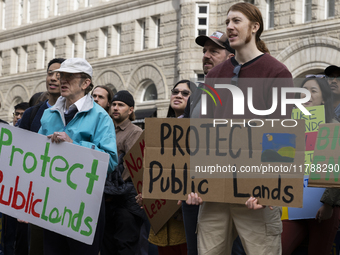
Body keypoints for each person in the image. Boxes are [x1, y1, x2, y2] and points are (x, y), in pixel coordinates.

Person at [192, 3, 294, 255]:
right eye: (228, 22)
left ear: (255, 27)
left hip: (256, 194)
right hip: (215, 190)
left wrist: (271, 188)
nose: (230, 27)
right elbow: (204, 131)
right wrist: (195, 182)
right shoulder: (214, 75)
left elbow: (282, 132)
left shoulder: (277, 72)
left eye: (236, 21)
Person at [38, 58, 118, 255]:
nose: (62, 80)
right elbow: (36, 155)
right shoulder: (49, 114)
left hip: (84, 206)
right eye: (61, 75)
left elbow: (110, 161)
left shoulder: (101, 117)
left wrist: (74, 146)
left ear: (85, 83)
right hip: (52, 204)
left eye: (69, 76)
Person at [279, 76, 340, 255]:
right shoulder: (288, 127)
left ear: (323, 97)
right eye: (303, 92)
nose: (307, 95)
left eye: (313, 91)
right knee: (278, 250)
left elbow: (336, 170)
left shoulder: (335, 127)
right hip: (291, 208)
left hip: (323, 210)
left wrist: (328, 204)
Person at [136, 80, 196, 255]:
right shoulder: (159, 130)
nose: (178, 95)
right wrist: (145, 195)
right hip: (162, 222)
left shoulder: (200, 130)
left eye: (185, 93)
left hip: (187, 219)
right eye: (175, 91)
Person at [18, 58, 65, 255]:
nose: (53, 78)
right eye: (50, 73)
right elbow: (17, 155)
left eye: (60, 74)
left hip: (68, 202)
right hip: (37, 199)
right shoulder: (32, 114)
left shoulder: (78, 114)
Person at [101, 90, 145, 255]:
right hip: (107, 199)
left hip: (126, 202)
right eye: (114, 104)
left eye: (121, 105)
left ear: (131, 110)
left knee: (125, 248)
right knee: (106, 247)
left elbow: (132, 168)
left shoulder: (135, 132)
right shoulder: (105, 130)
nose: (116, 108)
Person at [184, 31, 235, 118]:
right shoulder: (195, 95)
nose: (206, 56)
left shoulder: (241, 89)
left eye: (214, 51)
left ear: (230, 58)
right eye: (204, 51)